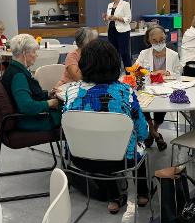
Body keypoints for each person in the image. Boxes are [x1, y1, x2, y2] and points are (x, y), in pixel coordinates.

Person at [63, 39, 150, 214]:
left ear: (83, 64)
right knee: (135, 144)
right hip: (121, 160)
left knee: (99, 141)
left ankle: (114, 196)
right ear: (114, 63)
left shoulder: (71, 91)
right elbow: (142, 132)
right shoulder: (125, 92)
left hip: (79, 157)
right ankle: (142, 193)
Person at [134, 24, 181, 151]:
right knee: (142, 106)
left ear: (165, 38)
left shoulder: (173, 55)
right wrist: (150, 73)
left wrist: (168, 73)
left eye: (161, 40)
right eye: (155, 41)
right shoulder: (144, 54)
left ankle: (153, 132)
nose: (159, 43)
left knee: (161, 105)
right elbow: (136, 70)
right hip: (147, 89)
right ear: (149, 40)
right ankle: (155, 134)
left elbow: (179, 73)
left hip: (165, 90)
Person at [0, 34, 61, 131]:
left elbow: (28, 95)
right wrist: (49, 103)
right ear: (24, 53)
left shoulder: (13, 69)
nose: (36, 55)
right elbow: (26, 106)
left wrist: (47, 94)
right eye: (34, 51)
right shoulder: (19, 76)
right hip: (31, 121)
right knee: (70, 115)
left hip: (26, 118)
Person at [103, 0, 132, 69]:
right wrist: (106, 17)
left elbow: (128, 19)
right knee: (113, 53)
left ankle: (129, 74)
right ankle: (115, 73)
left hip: (122, 32)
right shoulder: (110, 5)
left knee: (124, 53)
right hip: (111, 31)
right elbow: (109, 19)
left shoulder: (125, 4)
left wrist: (117, 18)